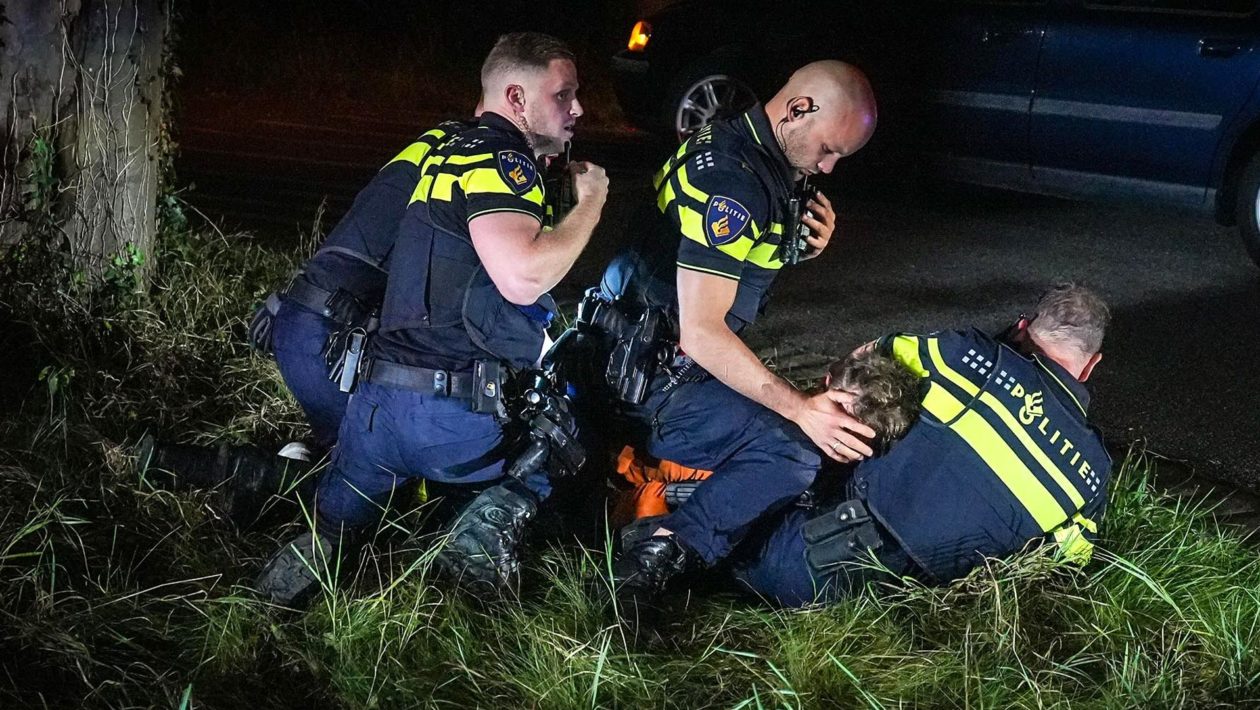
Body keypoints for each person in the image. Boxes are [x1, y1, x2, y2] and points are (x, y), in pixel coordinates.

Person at [255, 32, 609, 606]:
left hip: (372, 414)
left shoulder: (440, 151)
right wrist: (591, 201)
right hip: (448, 421)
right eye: (563, 95)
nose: (578, 110)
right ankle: (469, 553)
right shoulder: (500, 158)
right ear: (516, 98)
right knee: (561, 450)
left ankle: (261, 609)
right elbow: (521, 276)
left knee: (332, 534)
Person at [586, 61, 880, 615]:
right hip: (650, 377)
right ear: (798, 110)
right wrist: (800, 409)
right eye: (828, 149)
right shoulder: (736, 182)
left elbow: (733, 260)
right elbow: (701, 333)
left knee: (788, 421)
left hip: (634, 346)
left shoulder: (744, 142)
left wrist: (801, 245)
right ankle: (654, 558)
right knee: (793, 450)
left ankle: (659, 499)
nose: (830, 166)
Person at [732, 283, 1113, 607]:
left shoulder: (958, 353)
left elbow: (859, 362)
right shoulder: (1094, 472)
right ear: (1090, 365)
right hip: (919, 619)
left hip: (803, 567)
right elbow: (1062, 569)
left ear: (1022, 327)